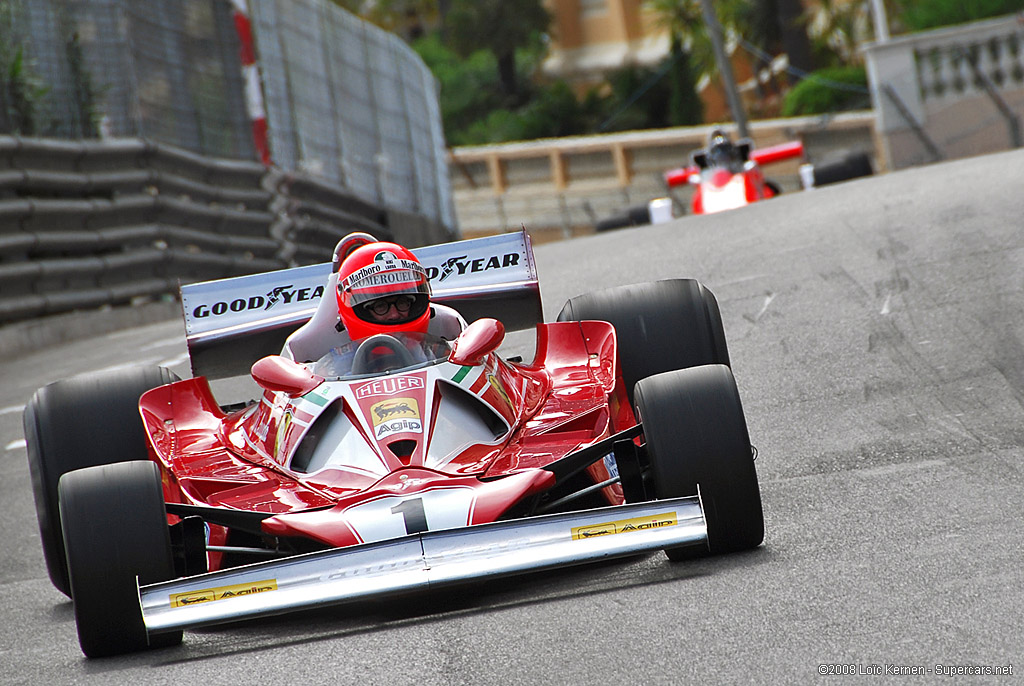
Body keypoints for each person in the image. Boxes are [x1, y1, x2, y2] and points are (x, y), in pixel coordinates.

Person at [282, 234, 465, 363]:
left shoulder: (448, 332)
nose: (394, 314)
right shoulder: (319, 357)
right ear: (359, 308)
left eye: (402, 303)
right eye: (380, 306)